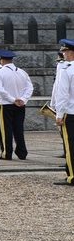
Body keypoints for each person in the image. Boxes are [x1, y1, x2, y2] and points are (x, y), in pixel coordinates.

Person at [0, 50, 31, 161]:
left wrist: (12, 99)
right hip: (20, 104)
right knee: (18, 129)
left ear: (2, 60)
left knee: (5, 130)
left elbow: (0, 90)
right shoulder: (22, 72)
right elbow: (29, 88)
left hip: (6, 104)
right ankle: (22, 152)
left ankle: (7, 153)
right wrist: (23, 99)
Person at [54, 39, 74, 186]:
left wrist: (59, 114)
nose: (63, 54)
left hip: (71, 112)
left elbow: (63, 94)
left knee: (70, 146)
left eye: (65, 51)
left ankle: (72, 176)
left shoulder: (66, 69)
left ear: (70, 52)